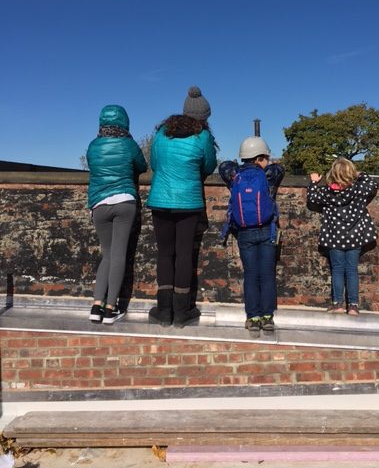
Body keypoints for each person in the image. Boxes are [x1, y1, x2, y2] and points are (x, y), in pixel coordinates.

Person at [147, 86, 217, 328]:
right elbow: (208, 166)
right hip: (188, 202)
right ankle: (182, 310)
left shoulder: (161, 134)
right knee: (185, 254)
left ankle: (164, 311)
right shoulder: (203, 137)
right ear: (204, 117)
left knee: (165, 254)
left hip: (160, 200)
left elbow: (154, 164)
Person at [87, 105, 148, 324]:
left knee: (107, 254)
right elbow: (142, 166)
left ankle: (96, 306)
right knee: (119, 254)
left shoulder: (93, 146)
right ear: (125, 122)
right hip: (124, 200)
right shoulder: (129, 145)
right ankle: (111, 308)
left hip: (99, 203)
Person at [219, 137, 285, 337]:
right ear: (260, 157)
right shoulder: (269, 175)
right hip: (267, 230)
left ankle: (253, 318)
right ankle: (267, 318)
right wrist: (264, 164)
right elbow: (279, 168)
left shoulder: (235, 175)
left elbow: (223, 166)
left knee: (250, 274)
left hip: (244, 232)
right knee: (266, 274)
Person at [306, 157, 378, 316]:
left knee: (337, 270)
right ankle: (353, 306)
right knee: (352, 270)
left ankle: (337, 303)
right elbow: (373, 185)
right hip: (355, 237)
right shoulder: (359, 190)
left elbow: (312, 198)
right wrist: (361, 174)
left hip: (334, 238)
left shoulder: (326, 192)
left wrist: (313, 182)